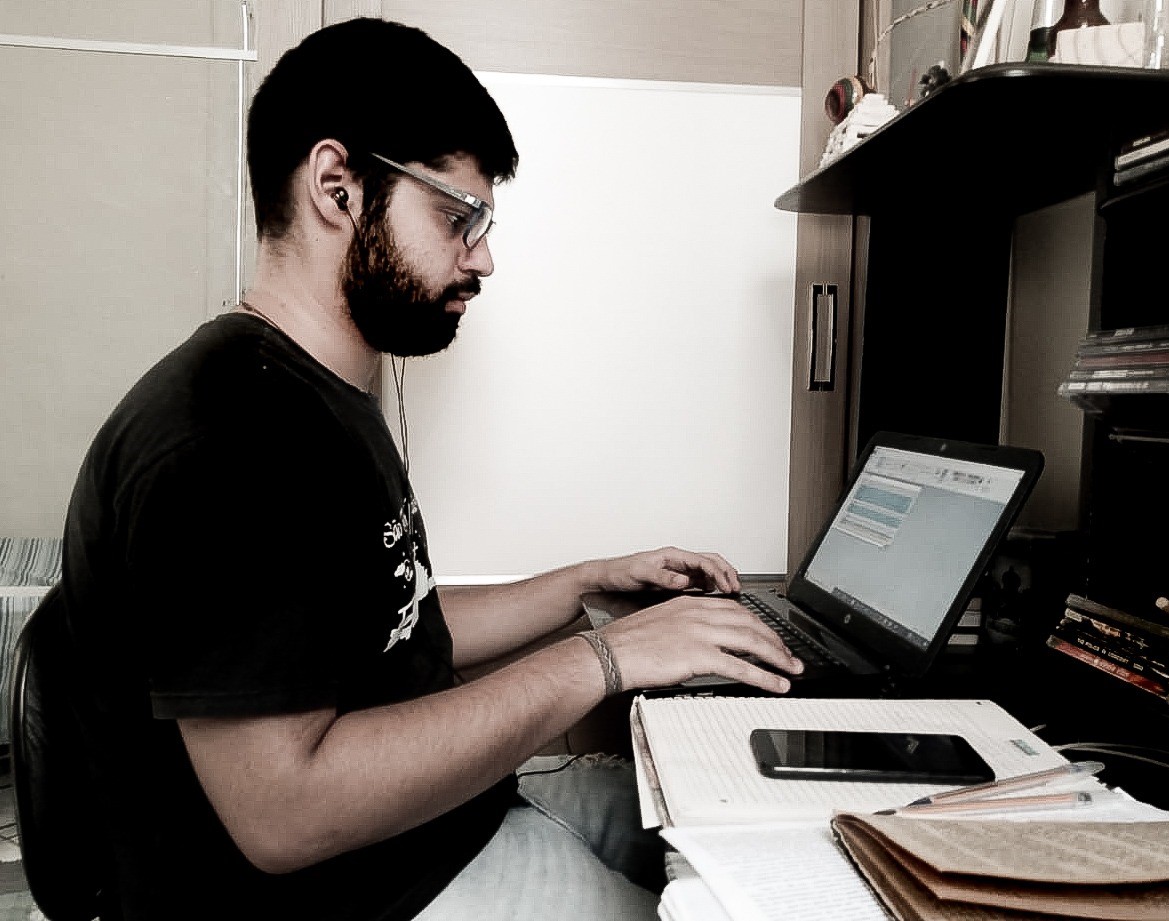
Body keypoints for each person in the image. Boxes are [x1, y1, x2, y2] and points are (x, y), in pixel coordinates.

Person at [56, 16, 803, 921]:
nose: (483, 256)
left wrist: (586, 582)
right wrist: (605, 658)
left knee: (740, 819)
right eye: (457, 217)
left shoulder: (316, 395)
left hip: (438, 830)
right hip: (355, 897)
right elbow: (285, 812)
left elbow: (388, 627)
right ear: (337, 187)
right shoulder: (228, 435)